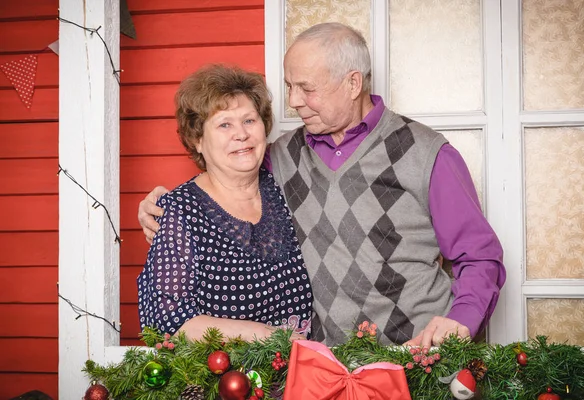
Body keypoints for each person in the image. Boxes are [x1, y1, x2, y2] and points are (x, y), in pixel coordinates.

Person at [139, 23, 506, 349]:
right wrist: (163, 205)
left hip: (419, 361)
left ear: (352, 83)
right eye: (289, 87)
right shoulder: (280, 157)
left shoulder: (425, 152)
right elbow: (225, 174)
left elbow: (479, 255)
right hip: (326, 370)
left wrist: (462, 320)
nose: (294, 101)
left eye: (306, 88)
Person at [136, 64, 312, 342]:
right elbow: (168, 320)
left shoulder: (285, 186)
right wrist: (267, 337)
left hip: (302, 376)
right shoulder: (180, 211)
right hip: (221, 379)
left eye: (249, 121)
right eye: (224, 124)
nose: (241, 134)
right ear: (198, 140)